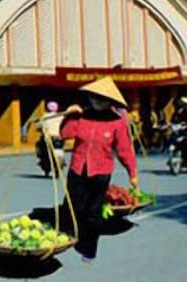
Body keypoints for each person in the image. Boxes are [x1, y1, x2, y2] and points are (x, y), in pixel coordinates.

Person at [59, 78, 138, 263]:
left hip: (100, 173)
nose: (97, 101)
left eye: (102, 99)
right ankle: (70, 236)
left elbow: (124, 150)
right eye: (94, 97)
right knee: (73, 206)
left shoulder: (117, 122)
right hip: (78, 169)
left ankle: (88, 248)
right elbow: (65, 134)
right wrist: (70, 115)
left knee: (93, 213)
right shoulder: (82, 116)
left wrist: (132, 173)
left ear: (110, 101)